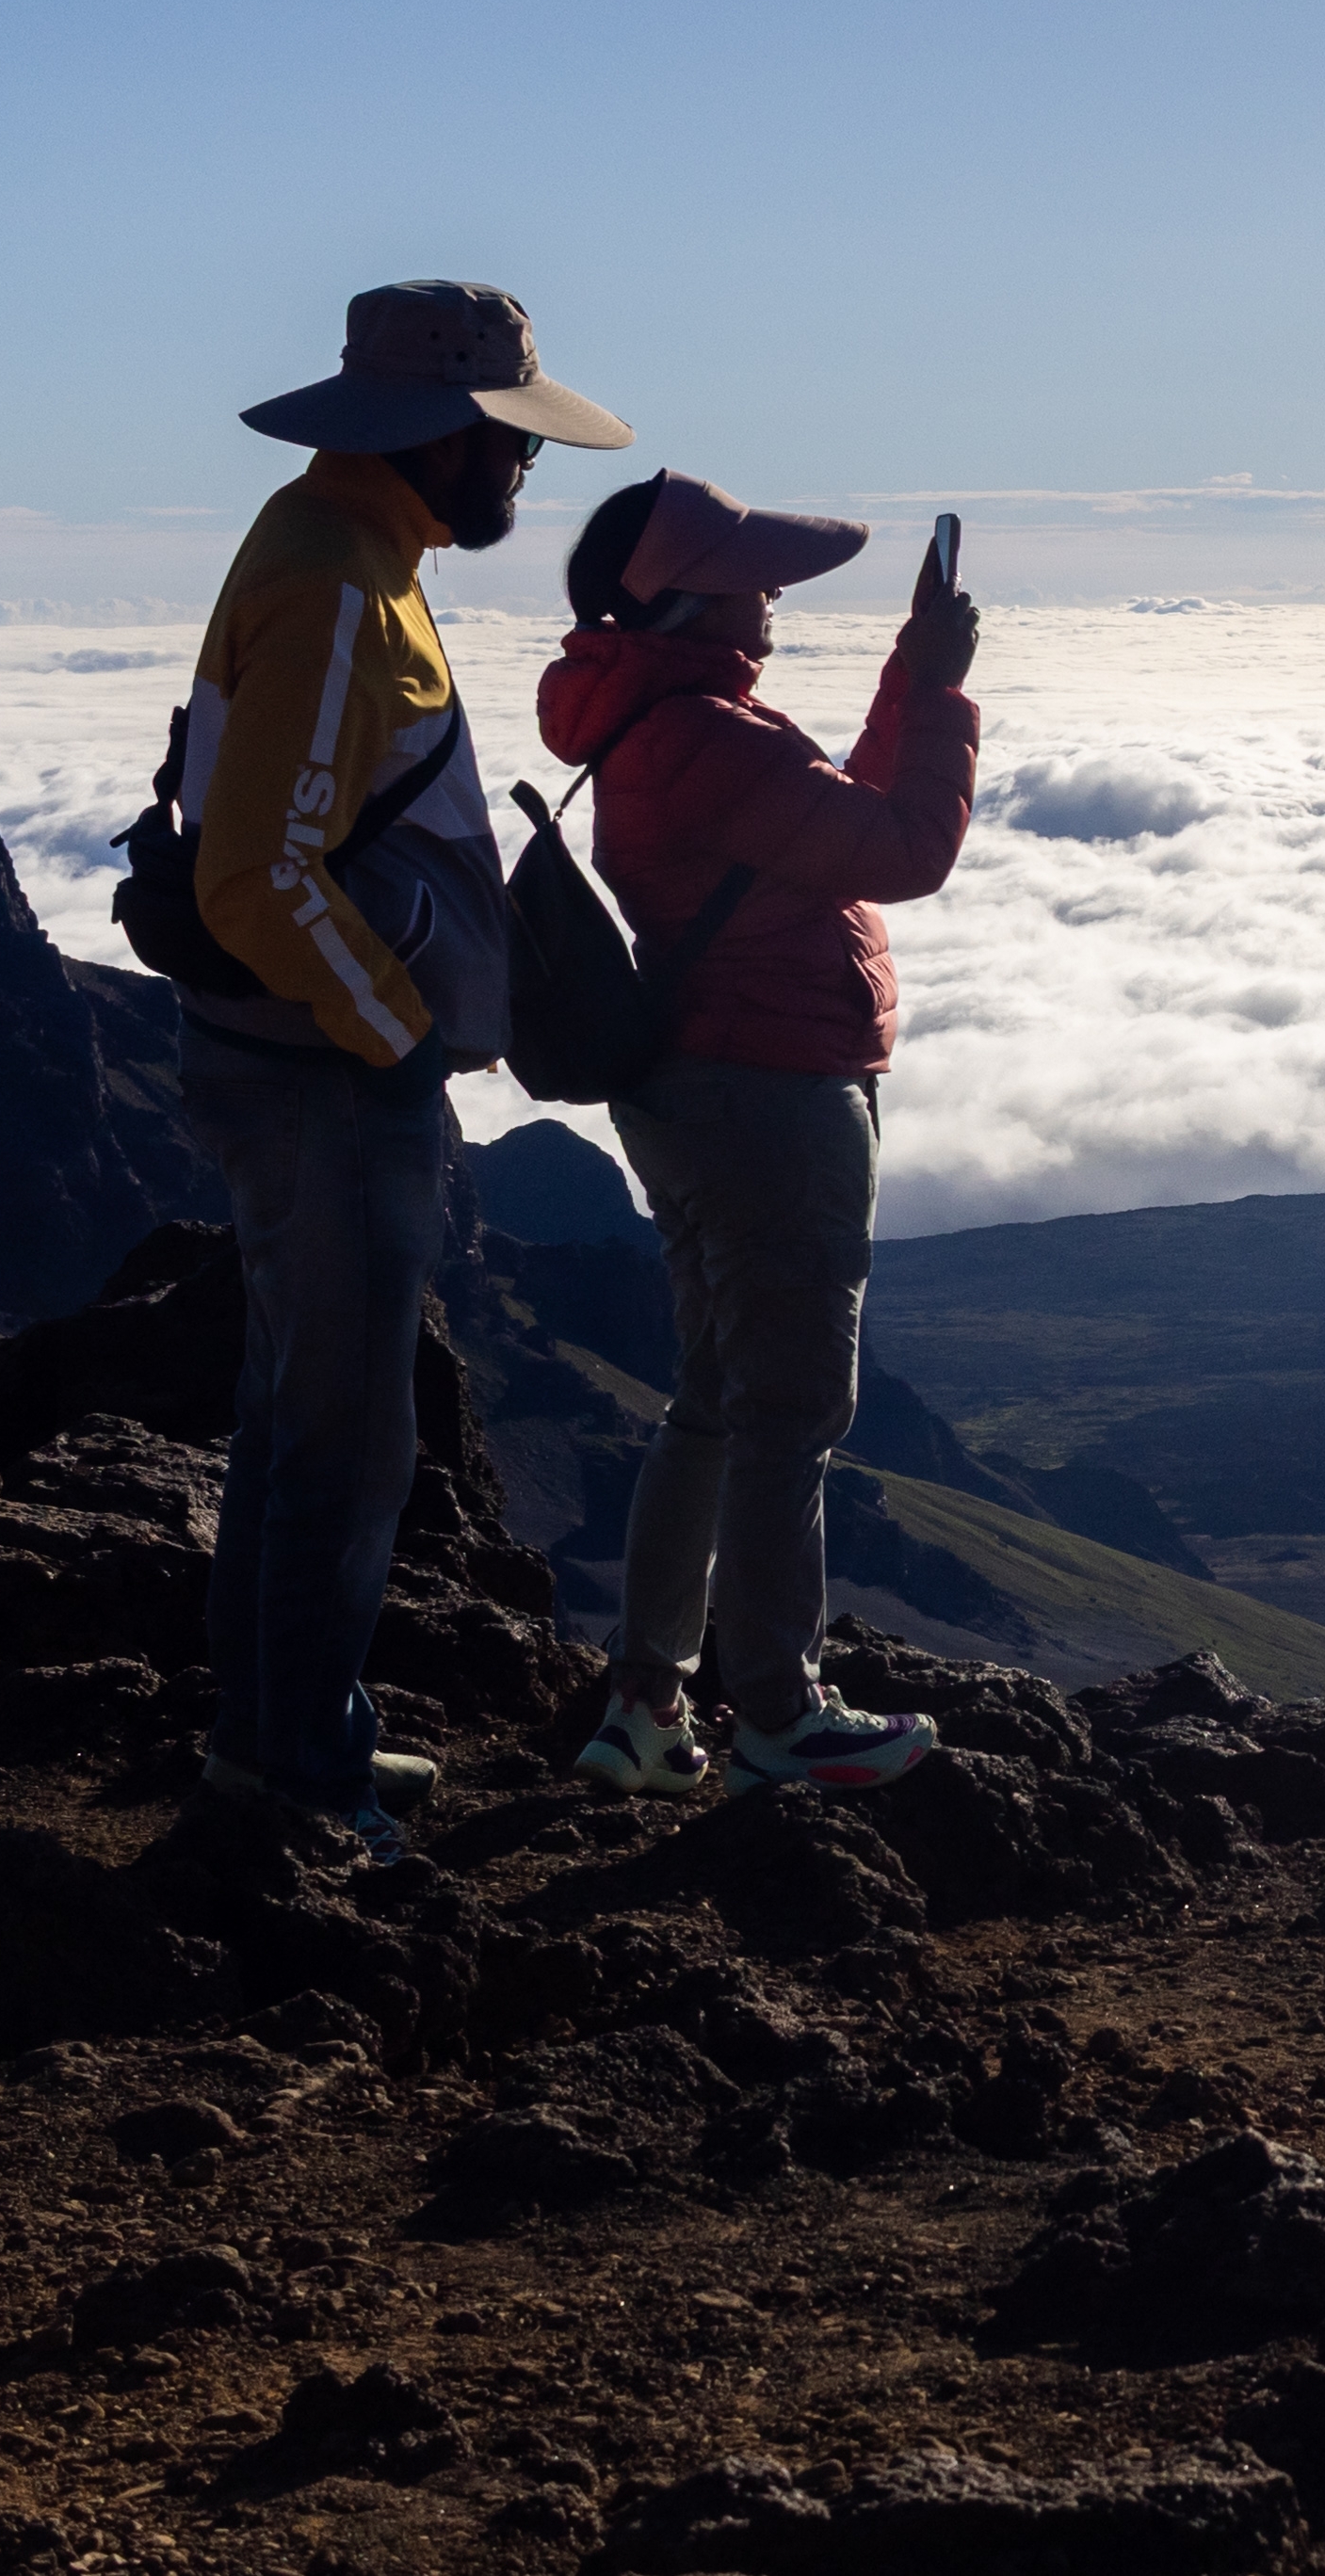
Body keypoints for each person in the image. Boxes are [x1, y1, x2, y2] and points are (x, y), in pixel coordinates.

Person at [185, 280, 635, 1861]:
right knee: (344, 1436)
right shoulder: (332, 584)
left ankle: (288, 1742)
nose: (523, 473)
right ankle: (293, 1780)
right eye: (506, 442)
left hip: (308, 1062)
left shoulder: (354, 547)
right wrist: (393, 1039)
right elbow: (254, 871)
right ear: (438, 432)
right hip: (321, 1075)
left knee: (307, 1417)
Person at [538, 468, 980, 1795]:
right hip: (772, 1089)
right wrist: (949, 689)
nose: (773, 592)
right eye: (752, 574)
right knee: (792, 1406)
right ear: (688, 595)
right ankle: (781, 1715)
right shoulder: (710, 739)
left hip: (699, 1085)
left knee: (720, 1399)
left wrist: (909, 671)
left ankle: (645, 1703)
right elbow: (903, 846)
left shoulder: (673, 725)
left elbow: (829, 816)